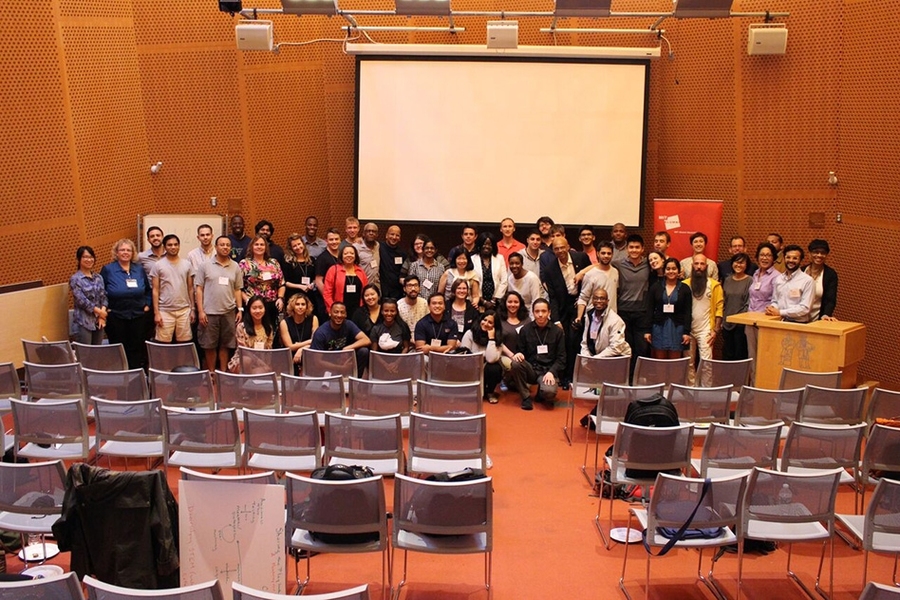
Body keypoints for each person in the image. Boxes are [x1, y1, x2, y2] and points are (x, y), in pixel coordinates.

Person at [541, 236, 591, 387]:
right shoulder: (550, 269)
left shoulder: (580, 257)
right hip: (563, 307)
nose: (560, 251)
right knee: (566, 341)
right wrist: (556, 320)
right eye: (556, 248)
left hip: (581, 303)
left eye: (562, 247)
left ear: (568, 246)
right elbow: (553, 297)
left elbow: (597, 267)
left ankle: (579, 375)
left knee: (579, 341)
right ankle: (566, 376)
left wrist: (582, 272)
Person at [507, 299, 566, 411]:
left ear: (549, 313)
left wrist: (552, 372)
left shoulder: (558, 332)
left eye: (543, 311)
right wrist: (518, 354)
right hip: (532, 369)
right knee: (515, 363)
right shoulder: (525, 330)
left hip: (548, 371)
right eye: (537, 311)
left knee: (549, 393)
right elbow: (519, 351)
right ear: (533, 313)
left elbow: (562, 359)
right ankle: (526, 397)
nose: (540, 315)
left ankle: (541, 392)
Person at [195, 236, 243, 372]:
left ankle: (222, 373)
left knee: (226, 345)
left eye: (228, 245)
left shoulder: (235, 266)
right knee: (209, 345)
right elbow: (199, 289)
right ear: (216, 247)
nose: (225, 247)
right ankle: (211, 373)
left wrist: (240, 309)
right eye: (222, 245)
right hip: (209, 312)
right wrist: (200, 311)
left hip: (229, 312)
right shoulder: (205, 265)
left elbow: (237, 289)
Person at [101, 239, 150, 369]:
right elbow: (101, 292)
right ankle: (120, 376)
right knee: (118, 349)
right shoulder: (108, 269)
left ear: (133, 253)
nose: (125, 252)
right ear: (116, 253)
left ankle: (135, 376)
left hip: (138, 316)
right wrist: (105, 309)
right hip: (116, 316)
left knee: (136, 348)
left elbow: (148, 290)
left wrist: (147, 305)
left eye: (128, 250)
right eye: (122, 250)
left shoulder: (139, 269)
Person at [683, 254, 724, 385]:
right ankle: (691, 389)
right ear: (692, 265)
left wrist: (716, 330)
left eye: (702, 264)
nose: (699, 267)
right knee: (688, 362)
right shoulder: (684, 285)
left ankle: (706, 392)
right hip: (687, 330)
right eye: (696, 264)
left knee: (706, 362)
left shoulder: (715, 285)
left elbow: (719, 308)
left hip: (706, 331)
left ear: (706, 266)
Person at [644, 257, 692, 359]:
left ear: (678, 271)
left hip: (677, 328)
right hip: (659, 327)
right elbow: (650, 310)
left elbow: (688, 312)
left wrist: (686, 332)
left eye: (674, 269)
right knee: (660, 362)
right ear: (664, 271)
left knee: (674, 363)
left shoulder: (685, 288)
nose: (671, 271)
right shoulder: (655, 287)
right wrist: (647, 330)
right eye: (668, 269)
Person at [616, 234, 651, 373]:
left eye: (637, 247)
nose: (634, 250)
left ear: (642, 249)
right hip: (623, 312)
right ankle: (627, 378)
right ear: (627, 249)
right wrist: (581, 272)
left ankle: (639, 377)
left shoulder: (649, 264)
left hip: (642, 313)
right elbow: (600, 265)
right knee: (626, 347)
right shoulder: (618, 264)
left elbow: (666, 264)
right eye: (631, 247)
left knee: (642, 348)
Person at [150, 234, 194, 343]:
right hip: (165, 311)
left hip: (184, 310)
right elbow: (155, 290)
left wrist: (192, 309)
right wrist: (156, 313)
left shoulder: (187, 265)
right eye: (169, 245)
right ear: (164, 247)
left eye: (175, 244)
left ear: (179, 246)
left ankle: (182, 361)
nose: (173, 247)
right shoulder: (158, 265)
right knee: (163, 344)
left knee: (184, 343)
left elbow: (190, 288)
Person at [746, 242, 781, 379]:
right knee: (752, 356)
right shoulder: (755, 274)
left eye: (768, 255)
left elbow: (776, 300)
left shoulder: (776, 276)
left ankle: (764, 386)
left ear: (773, 258)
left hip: (765, 323)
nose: (765, 258)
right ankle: (753, 387)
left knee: (765, 357)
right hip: (750, 321)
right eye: (762, 255)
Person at [311, 302, 371, 376]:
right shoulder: (321, 333)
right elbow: (317, 362)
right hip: (327, 364)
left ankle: (356, 380)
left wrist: (347, 348)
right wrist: (341, 368)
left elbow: (366, 340)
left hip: (343, 359)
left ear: (345, 314)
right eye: (336, 312)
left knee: (363, 351)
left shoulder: (348, 324)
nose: (339, 315)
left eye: (342, 312)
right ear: (330, 313)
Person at [239, 235, 284, 329]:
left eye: (262, 244)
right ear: (252, 246)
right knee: (253, 331)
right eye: (256, 244)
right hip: (253, 305)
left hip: (272, 304)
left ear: (266, 247)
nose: (259, 247)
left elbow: (281, 283)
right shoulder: (244, 264)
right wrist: (246, 299)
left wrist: (280, 298)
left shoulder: (274, 263)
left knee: (271, 331)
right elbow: (239, 287)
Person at [459, 311, 504, 403]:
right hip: (470, 367)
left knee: (495, 368)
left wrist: (491, 339)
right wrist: (483, 354)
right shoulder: (470, 333)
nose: (486, 323)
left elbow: (491, 359)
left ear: (495, 326)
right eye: (484, 320)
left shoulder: (497, 338)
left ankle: (490, 392)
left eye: (490, 322)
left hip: (486, 367)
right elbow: (464, 356)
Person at [765, 244, 814, 323]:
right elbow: (775, 300)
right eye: (788, 257)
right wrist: (772, 308)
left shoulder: (807, 281)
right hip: (779, 321)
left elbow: (805, 308)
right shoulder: (779, 279)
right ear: (784, 258)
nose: (791, 260)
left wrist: (781, 312)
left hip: (798, 324)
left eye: (795, 258)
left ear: (800, 260)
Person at [69, 246, 108, 345]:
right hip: (83, 322)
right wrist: (100, 312)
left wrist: (102, 316)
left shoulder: (98, 277)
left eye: (91, 257)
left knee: (97, 353)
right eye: (85, 257)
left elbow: (103, 297)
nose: (89, 260)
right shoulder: (75, 279)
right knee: (85, 356)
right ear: (79, 259)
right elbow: (82, 301)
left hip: (99, 320)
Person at [228, 296, 275, 372]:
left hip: (261, 362)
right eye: (254, 308)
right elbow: (244, 351)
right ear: (249, 309)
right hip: (243, 360)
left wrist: (267, 366)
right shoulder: (241, 327)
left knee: (262, 371)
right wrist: (260, 363)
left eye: (260, 308)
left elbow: (269, 351)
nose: (258, 311)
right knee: (247, 360)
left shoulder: (268, 328)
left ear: (265, 309)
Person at [580, 289, 630, 358]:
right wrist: (586, 358)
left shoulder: (616, 320)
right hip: (597, 356)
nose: (599, 301)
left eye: (602, 299)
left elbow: (615, 347)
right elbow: (584, 343)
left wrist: (596, 359)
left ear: (607, 301)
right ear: (592, 300)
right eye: (596, 298)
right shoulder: (589, 316)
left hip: (617, 357)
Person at [721, 252, 752, 361]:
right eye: (736, 262)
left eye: (741, 263)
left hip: (741, 325)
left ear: (746, 265)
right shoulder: (728, 279)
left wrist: (738, 320)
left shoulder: (750, 280)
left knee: (740, 354)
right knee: (727, 353)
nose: (738, 265)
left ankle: (739, 378)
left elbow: (748, 303)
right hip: (726, 323)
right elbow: (724, 300)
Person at [278, 292, 318, 374]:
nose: (300, 307)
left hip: (309, 354)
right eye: (297, 304)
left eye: (303, 304)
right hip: (291, 358)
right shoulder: (284, 323)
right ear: (293, 306)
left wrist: (301, 349)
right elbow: (290, 347)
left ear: (307, 306)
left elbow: (315, 343)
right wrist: (308, 341)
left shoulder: (314, 319)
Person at [323, 245, 369, 314]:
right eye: (346, 253)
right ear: (341, 255)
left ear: (356, 256)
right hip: (339, 312)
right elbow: (327, 293)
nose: (349, 255)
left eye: (352, 253)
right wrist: (332, 309)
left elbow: (366, 292)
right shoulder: (333, 270)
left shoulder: (360, 271)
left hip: (358, 311)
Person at [496, 291, 532, 374]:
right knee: (512, 365)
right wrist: (511, 355)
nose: (513, 305)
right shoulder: (499, 319)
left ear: (520, 304)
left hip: (523, 356)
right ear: (505, 303)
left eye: (516, 302)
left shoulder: (527, 320)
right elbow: (498, 341)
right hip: (505, 355)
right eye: (510, 302)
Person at [473, 231, 508, 311]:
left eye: (490, 244)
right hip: (478, 301)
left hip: (496, 301)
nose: (487, 247)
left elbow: (504, 281)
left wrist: (494, 300)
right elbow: (471, 282)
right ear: (480, 244)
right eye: (484, 244)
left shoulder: (500, 258)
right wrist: (483, 301)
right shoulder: (472, 259)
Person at [804, 239, 838, 321]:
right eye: (816, 252)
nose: (819, 255)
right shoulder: (801, 271)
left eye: (823, 253)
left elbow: (830, 300)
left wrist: (826, 314)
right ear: (810, 253)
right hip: (797, 318)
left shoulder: (830, 274)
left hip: (817, 319)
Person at [282, 233, 318, 310]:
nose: (298, 247)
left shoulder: (311, 260)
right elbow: (285, 282)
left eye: (299, 244)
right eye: (294, 246)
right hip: (293, 297)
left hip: (309, 295)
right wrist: (300, 286)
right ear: (291, 248)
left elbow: (315, 277)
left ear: (303, 244)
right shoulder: (288, 262)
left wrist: (312, 284)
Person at [313, 228, 342, 320]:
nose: (334, 242)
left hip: (339, 298)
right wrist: (329, 299)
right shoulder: (322, 258)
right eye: (331, 239)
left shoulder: (343, 257)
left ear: (340, 240)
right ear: (326, 241)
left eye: (336, 239)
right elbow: (318, 281)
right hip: (326, 301)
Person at [407, 237, 446, 302]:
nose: (429, 250)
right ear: (423, 249)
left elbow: (441, 288)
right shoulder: (414, 265)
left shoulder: (441, 267)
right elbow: (410, 285)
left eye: (432, 248)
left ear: (436, 250)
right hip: (417, 302)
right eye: (427, 248)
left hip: (433, 303)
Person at [506, 253, 543, 318]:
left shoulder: (532, 278)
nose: (514, 266)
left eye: (517, 263)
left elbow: (536, 300)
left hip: (530, 314)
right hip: (516, 314)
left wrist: (532, 321)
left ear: (522, 264)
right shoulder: (510, 278)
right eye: (511, 263)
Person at [379, 225, 405, 300]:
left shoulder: (402, 253)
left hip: (397, 292)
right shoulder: (378, 247)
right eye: (392, 234)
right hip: (382, 290)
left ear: (399, 238)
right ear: (386, 235)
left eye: (397, 235)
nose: (394, 237)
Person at [354, 222, 380, 290]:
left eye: (373, 231)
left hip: (376, 287)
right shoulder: (356, 248)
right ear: (363, 233)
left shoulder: (378, 246)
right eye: (368, 231)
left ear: (377, 235)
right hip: (362, 287)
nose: (371, 233)